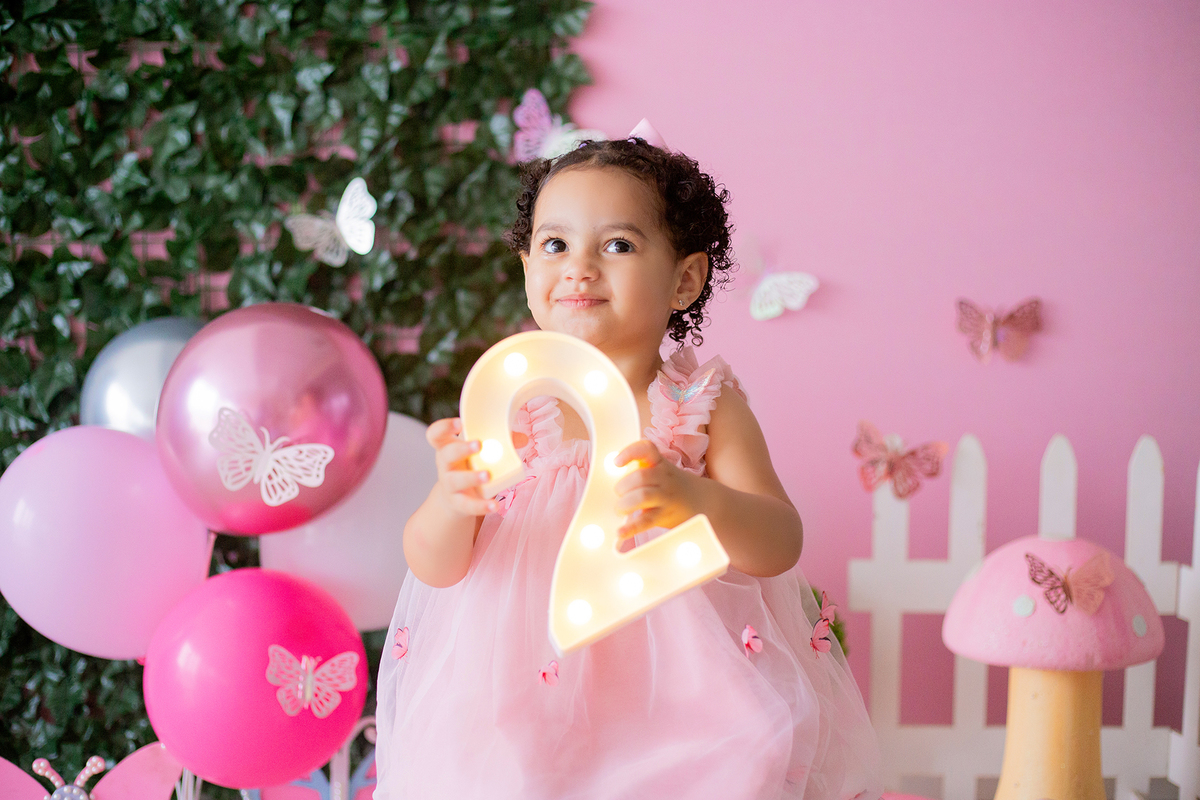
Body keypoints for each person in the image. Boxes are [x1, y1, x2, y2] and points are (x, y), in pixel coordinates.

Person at [374, 136, 882, 799]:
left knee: (724, 765)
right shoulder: (511, 406)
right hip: (520, 685)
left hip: (679, 695)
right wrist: (451, 503)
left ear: (685, 279)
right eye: (555, 245)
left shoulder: (702, 405)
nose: (579, 267)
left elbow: (779, 543)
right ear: (527, 265)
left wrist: (695, 498)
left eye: (617, 245)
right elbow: (435, 567)